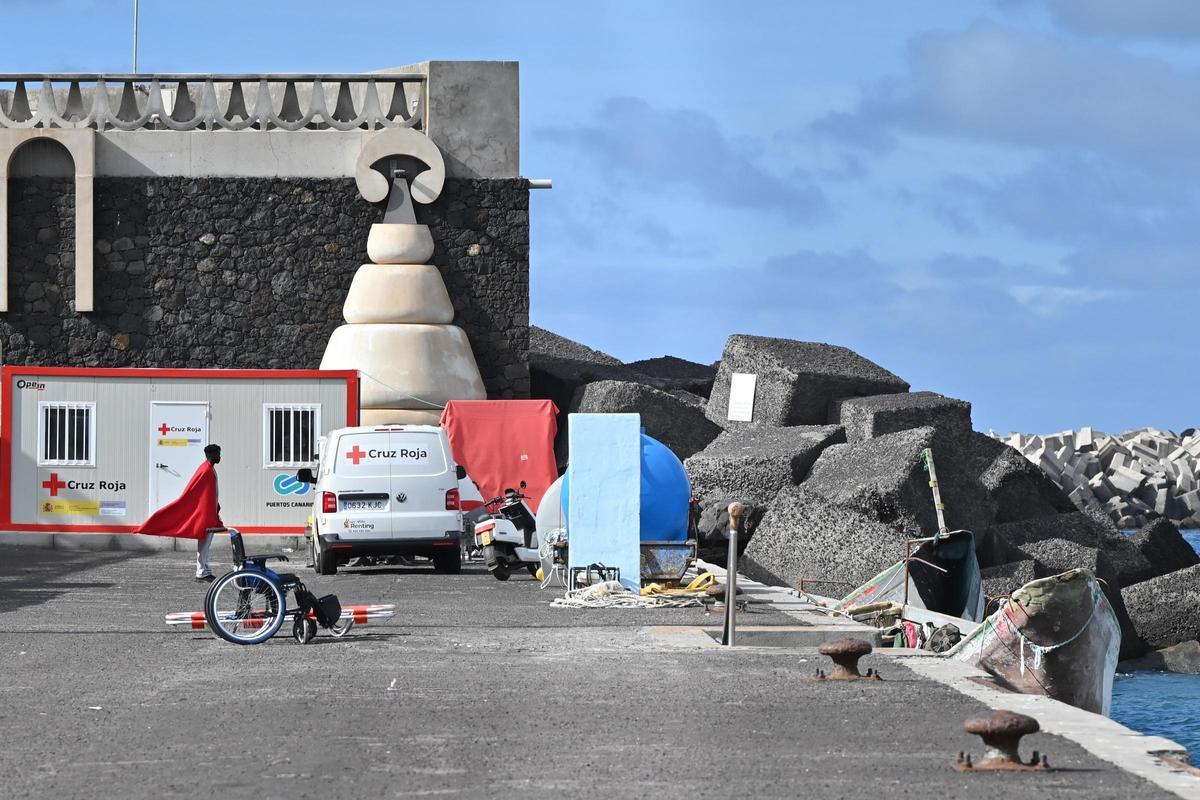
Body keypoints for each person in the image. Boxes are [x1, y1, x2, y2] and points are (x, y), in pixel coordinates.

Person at [135, 444, 224, 581]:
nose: (220, 456)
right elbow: (196, 493)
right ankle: (202, 572)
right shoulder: (206, 470)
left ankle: (204, 570)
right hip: (205, 514)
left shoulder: (209, 469)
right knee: (204, 543)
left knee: (205, 543)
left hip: (208, 513)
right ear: (212, 455)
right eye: (218, 454)